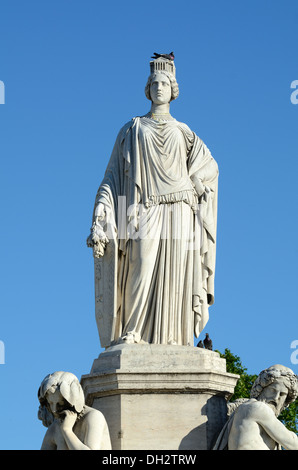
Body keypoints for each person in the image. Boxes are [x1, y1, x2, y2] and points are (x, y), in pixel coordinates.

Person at [87, 55, 218, 348]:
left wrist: (195, 183)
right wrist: (101, 213)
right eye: (155, 83)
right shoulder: (132, 129)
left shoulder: (185, 132)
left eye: (165, 83)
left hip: (181, 209)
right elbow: (111, 177)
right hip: (143, 208)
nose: (160, 87)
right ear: (147, 89)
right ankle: (133, 330)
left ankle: (176, 337)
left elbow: (211, 167)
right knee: (141, 265)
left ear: (174, 90)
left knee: (176, 275)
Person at [213, 364, 298, 450]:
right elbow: (293, 444)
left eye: (282, 394)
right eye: (273, 390)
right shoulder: (258, 408)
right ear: (262, 389)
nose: (276, 398)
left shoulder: (244, 408)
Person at [38, 371, 112, 450]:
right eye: (51, 403)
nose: (54, 409)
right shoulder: (55, 427)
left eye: (60, 403)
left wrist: (67, 431)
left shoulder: (94, 417)